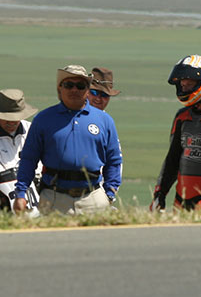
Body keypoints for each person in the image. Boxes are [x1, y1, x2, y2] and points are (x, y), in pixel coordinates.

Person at [13, 65, 122, 215]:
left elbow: (114, 161)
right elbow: (28, 159)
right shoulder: (43, 119)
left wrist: (109, 193)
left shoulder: (104, 120)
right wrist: (21, 193)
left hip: (93, 197)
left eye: (80, 86)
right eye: (69, 85)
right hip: (53, 197)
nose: (74, 90)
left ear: (87, 90)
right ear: (60, 88)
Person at [150, 55, 201, 211]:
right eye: (182, 85)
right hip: (181, 202)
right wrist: (160, 193)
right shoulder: (181, 117)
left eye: (189, 84)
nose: (184, 88)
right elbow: (172, 159)